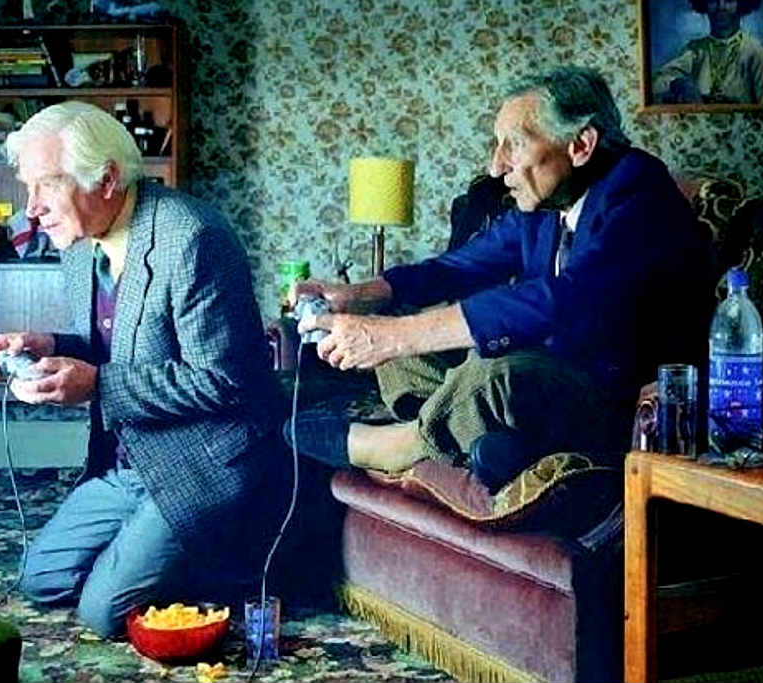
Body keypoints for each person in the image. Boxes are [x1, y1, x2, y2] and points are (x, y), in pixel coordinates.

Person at [286, 66, 713, 487]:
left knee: (496, 375)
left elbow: (567, 299)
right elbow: (457, 267)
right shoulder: (546, 205)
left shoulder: (638, 189)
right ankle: (475, 436)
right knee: (412, 353)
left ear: (581, 145)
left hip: (616, 400)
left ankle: (407, 443)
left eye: (515, 145)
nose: (496, 166)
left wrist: (394, 336)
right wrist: (361, 295)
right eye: (498, 145)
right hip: (550, 383)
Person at [0, 101, 285, 638]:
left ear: (107, 179)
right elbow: (121, 343)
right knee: (40, 580)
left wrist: (96, 385)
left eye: (48, 185)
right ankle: (160, 544)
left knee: (101, 613)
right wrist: (47, 345)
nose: (32, 209)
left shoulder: (192, 237)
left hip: (204, 462)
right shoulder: (81, 243)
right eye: (28, 188)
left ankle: (226, 553)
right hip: (129, 463)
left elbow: (222, 380)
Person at [653, 0, 763, 105]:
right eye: (713, 0)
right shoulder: (695, 51)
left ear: (741, 4)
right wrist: (678, 84)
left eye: (729, 1)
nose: (721, 7)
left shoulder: (755, 51)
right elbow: (656, 81)